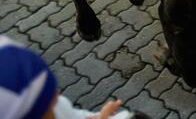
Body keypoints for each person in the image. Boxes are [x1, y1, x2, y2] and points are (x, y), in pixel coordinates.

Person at [0, 35, 147, 119]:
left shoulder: (56, 105)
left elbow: (71, 114)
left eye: (51, 90)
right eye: (46, 104)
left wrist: (95, 118)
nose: (58, 95)